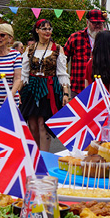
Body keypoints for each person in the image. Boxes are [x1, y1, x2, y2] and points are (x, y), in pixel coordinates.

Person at [20, 19, 70, 152]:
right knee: (32, 125)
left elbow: (62, 73)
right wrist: (16, 92)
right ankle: (35, 156)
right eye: (44, 29)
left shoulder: (57, 49)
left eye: (49, 28)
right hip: (31, 88)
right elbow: (24, 74)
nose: (47, 31)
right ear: (37, 31)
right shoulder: (30, 49)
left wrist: (65, 93)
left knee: (43, 124)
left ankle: (44, 157)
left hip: (49, 90)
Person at [64, 9, 107, 97]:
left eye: (100, 23)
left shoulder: (107, 39)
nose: (97, 25)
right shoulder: (75, 37)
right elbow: (63, 59)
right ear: (87, 22)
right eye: (94, 23)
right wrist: (64, 81)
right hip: (78, 87)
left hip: (103, 87)